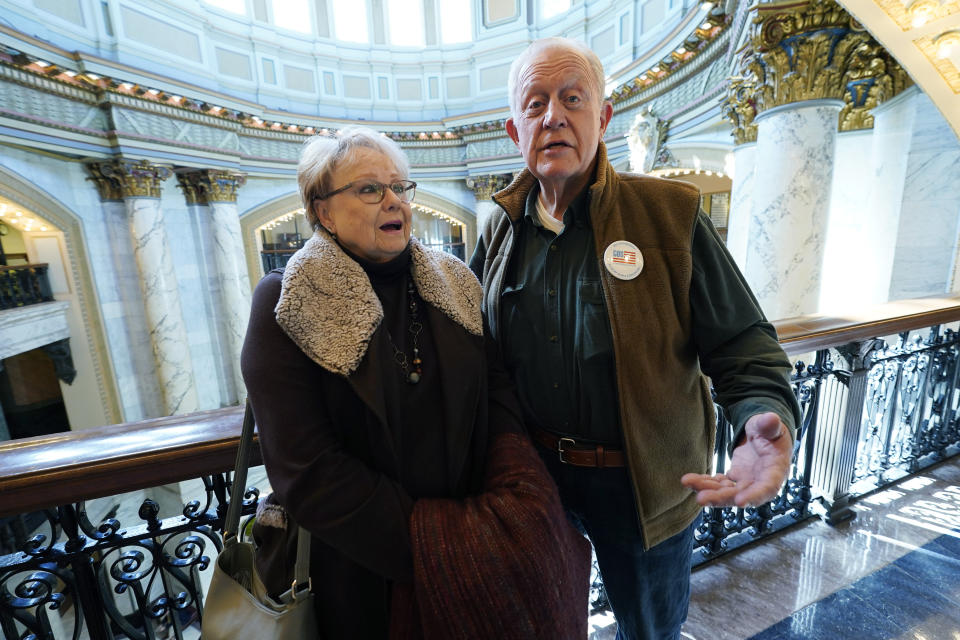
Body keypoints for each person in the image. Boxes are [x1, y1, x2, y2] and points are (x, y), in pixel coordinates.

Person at [469, 37, 802, 640]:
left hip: (644, 486)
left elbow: (743, 343)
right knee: (543, 621)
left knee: (649, 629)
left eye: (572, 98)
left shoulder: (666, 216)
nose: (554, 117)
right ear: (515, 132)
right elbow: (474, 350)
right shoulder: (499, 229)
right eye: (536, 103)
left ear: (603, 117)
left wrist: (762, 413)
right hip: (535, 480)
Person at [241, 125, 589, 639]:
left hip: (474, 551)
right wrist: (441, 547)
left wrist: (509, 503)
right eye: (369, 188)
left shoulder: (453, 280)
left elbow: (496, 392)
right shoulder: (287, 300)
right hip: (364, 572)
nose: (393, 201)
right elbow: (306, 469)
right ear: (323, 211)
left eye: (401, 187)